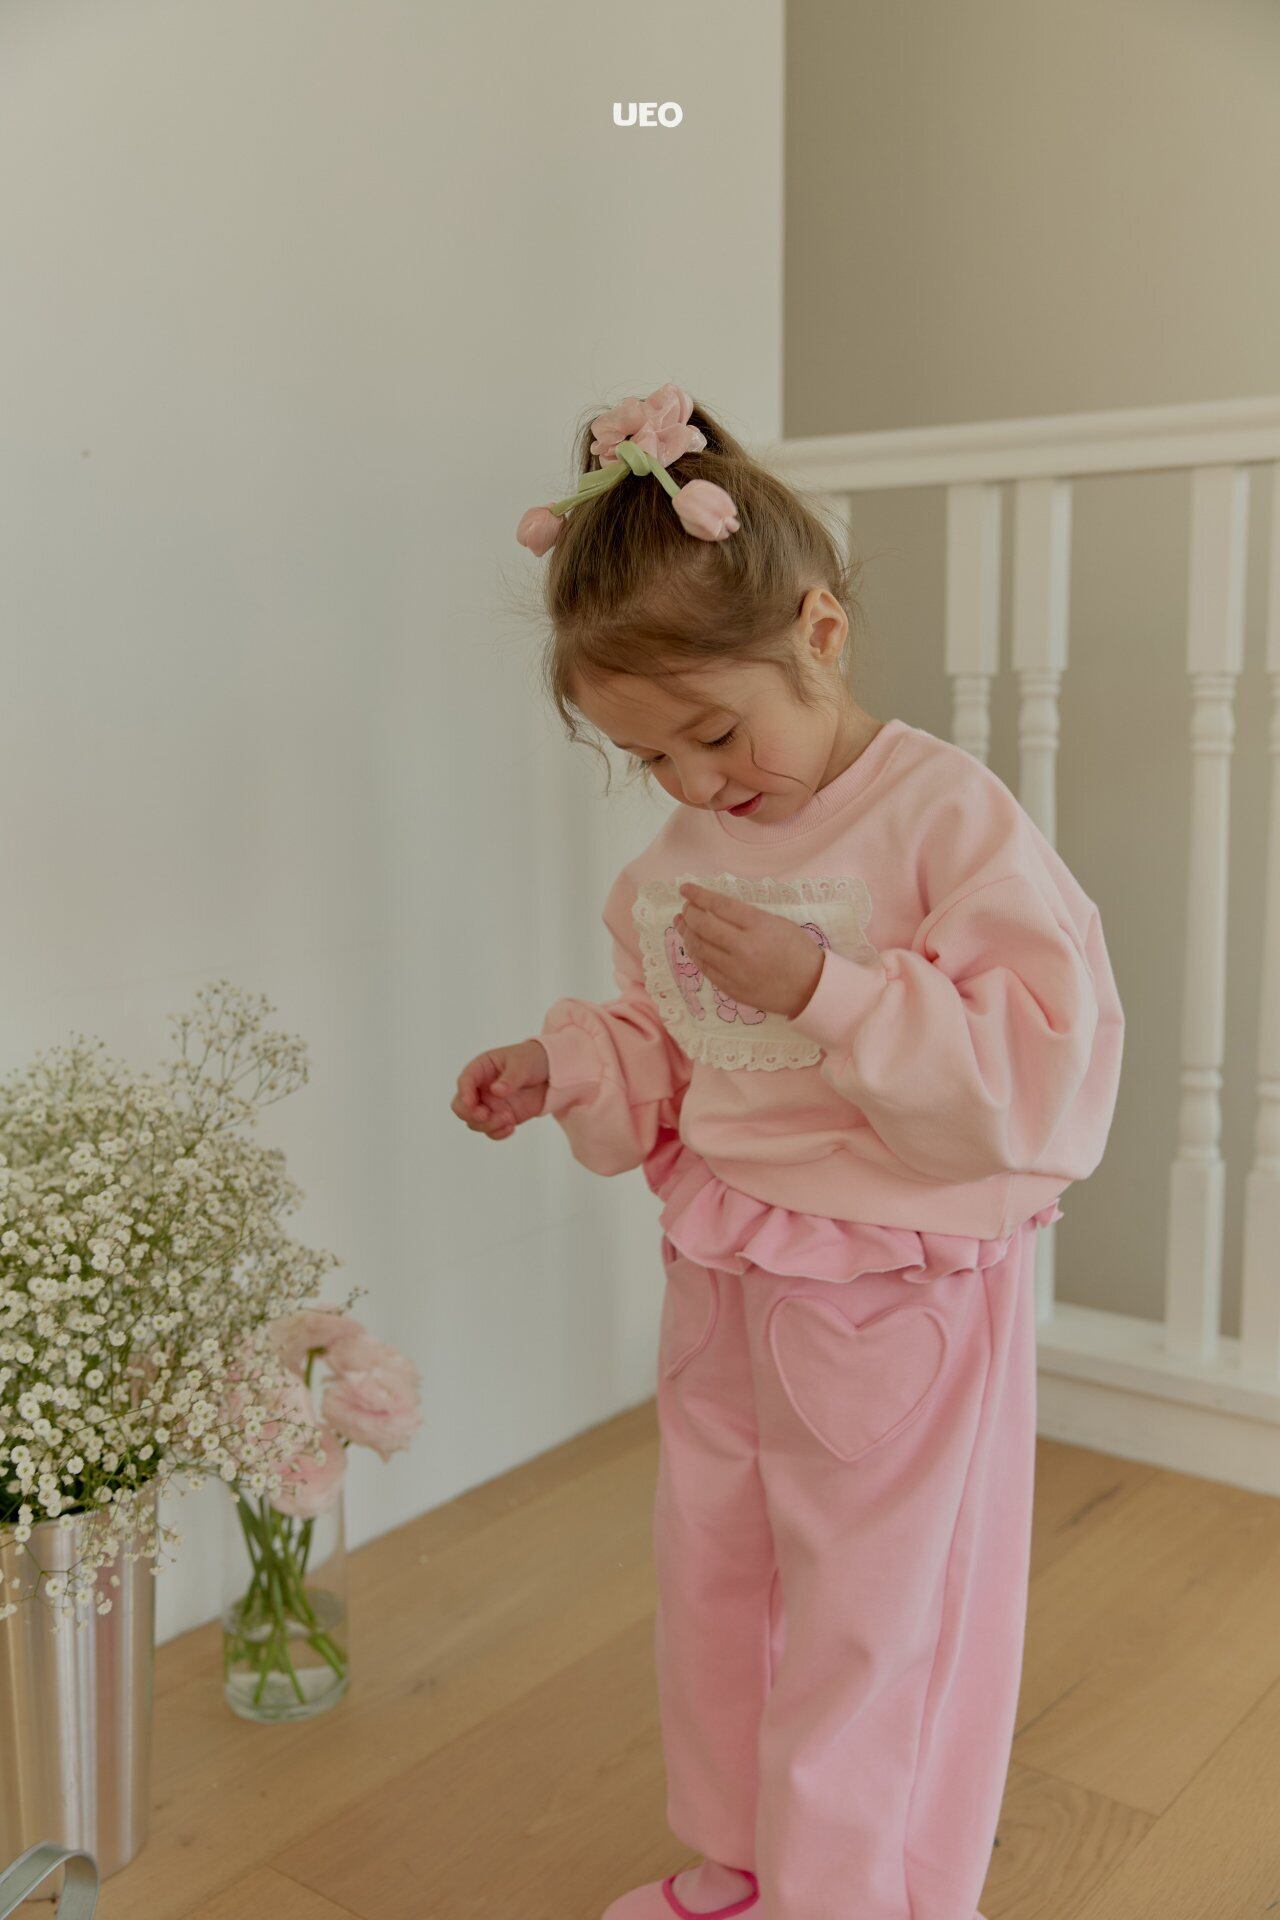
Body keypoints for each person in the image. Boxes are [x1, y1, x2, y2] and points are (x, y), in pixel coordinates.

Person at [451, 384, 1125, 1920]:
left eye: (712, 733)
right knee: (716, 1574)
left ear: (818, 632)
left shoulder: (946, 819)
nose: (697, 785)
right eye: (650, 760)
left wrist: (827, 990)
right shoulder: (682, 859)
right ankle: (743, 1862)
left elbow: (1036, 1062)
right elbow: (673, 1041)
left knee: (875, 1610)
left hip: (893, 1284)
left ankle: (854, 1894)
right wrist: (566, 1065)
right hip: (729, 1269)